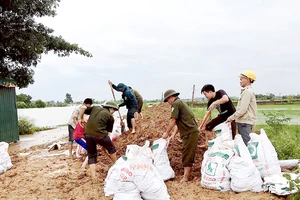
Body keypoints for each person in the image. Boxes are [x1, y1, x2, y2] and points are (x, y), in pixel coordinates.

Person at [162, 89, 199, 182]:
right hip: (190, 132)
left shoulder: (176, 104)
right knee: (186, 152)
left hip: (189, 132)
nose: (168, 103)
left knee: (187, 153)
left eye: (167, 101)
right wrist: (173, 134)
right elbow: (179, 122)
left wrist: (167, 133)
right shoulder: (180, 102)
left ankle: (186, 177)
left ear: (170, 98)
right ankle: (186, 176)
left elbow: (173, 120)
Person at [78, 101, 119, 182]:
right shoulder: (110, 117)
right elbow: (108, 133)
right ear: (110, 108)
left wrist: (80, 118)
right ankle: (116, 165)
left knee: (92, 154)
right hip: (100, 135)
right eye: (114, 110)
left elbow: (82, 107)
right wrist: (105, 145)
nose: (114, 112)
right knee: (112, 149)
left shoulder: (95, 108)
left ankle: (94, 177)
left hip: (88, 134)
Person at [226, 70, 257, 145]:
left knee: (246, 145)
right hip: (244, 123)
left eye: (241, 79)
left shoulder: (247, 92)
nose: (240, 81)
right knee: (245, 144)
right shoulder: (247, 91)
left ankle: (249, 157)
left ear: (248, 79)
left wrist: (231, 118)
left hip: (245, 123)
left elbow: (242, 110)